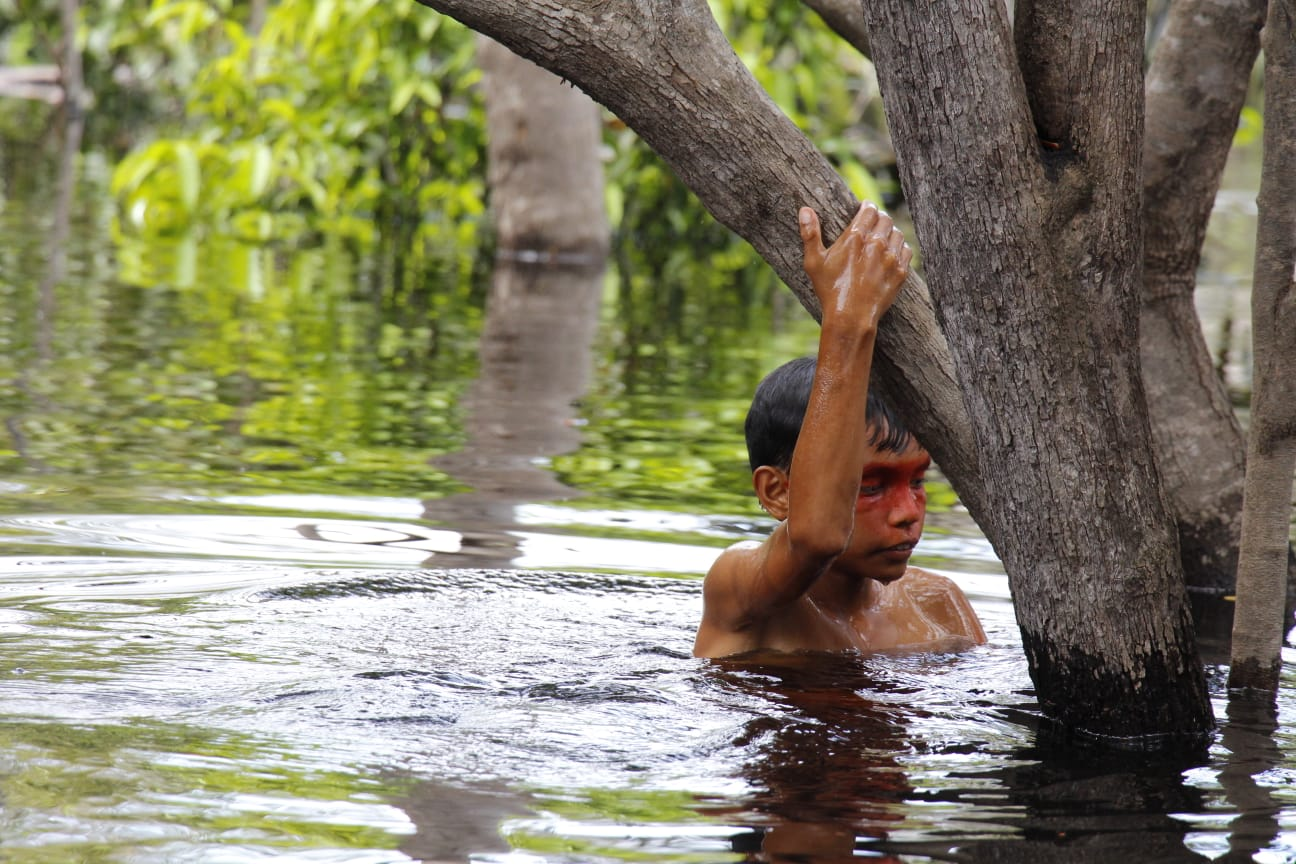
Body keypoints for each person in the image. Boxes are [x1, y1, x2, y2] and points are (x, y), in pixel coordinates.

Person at [693, 201, 985, 659]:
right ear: (776, 492)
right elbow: (816, 539)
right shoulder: (743, 593)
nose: (907, 513)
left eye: (916, 481)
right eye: (869, 486)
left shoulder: (939, 606)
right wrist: (848, 317)